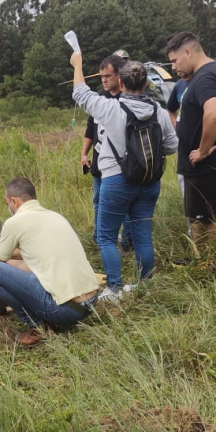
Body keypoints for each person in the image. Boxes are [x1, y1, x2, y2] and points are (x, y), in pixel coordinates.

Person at [72, 56, 178, 300]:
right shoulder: (158, 111)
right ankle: (145, 284)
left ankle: (115, 289)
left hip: (117, 181)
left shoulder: (111, 109)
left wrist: (77, 65)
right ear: (146, 84)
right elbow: (172, 146)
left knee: (106, 236)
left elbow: (80, 93)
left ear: (120, 81)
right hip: (150, 182)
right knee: (142, 234)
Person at [0, 177, 101, 347]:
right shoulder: (55, 216)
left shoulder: (14, 222)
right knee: (14, 269)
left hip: (65, 311)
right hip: (91, 303)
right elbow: (30, 252)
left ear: (13, 201)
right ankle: (45, 321)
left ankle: (37, 327)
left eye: (8, 202)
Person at [166, 31, 216, 249]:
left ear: (188, 52)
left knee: (214, 215)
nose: (173, 67)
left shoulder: (206, 76)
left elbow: (215, 113)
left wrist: (203, 150)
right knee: (202, 216)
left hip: (207, 161)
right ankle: (203, 261)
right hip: (201, 164)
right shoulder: (207, 73)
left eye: (174, 60)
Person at [80, 54, 130, 247]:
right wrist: (84, 153)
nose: (104, 80)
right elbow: (90, 129)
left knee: (124, 204)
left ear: (119, 75)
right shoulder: (98, 98)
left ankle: (127, 242)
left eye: (108, 76)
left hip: (123, 165)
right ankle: (99, 237)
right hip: (100, 162)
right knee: (98, 200)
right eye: (101, 76)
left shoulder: (129, 98)